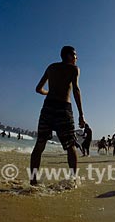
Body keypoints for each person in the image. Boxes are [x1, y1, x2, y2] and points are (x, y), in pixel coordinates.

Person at [30, 46, 85, 186]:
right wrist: (81, 115)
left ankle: (33, 181)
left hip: (48, 107)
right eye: (75, 55)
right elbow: (76, 90)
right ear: (68, 56)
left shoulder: (51, 67)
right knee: (70, 145)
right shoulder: (74, 69)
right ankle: (73, 180)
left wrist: (48, 92)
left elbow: (38, 89)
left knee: (40, 144)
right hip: (63, 109)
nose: (76, 58)